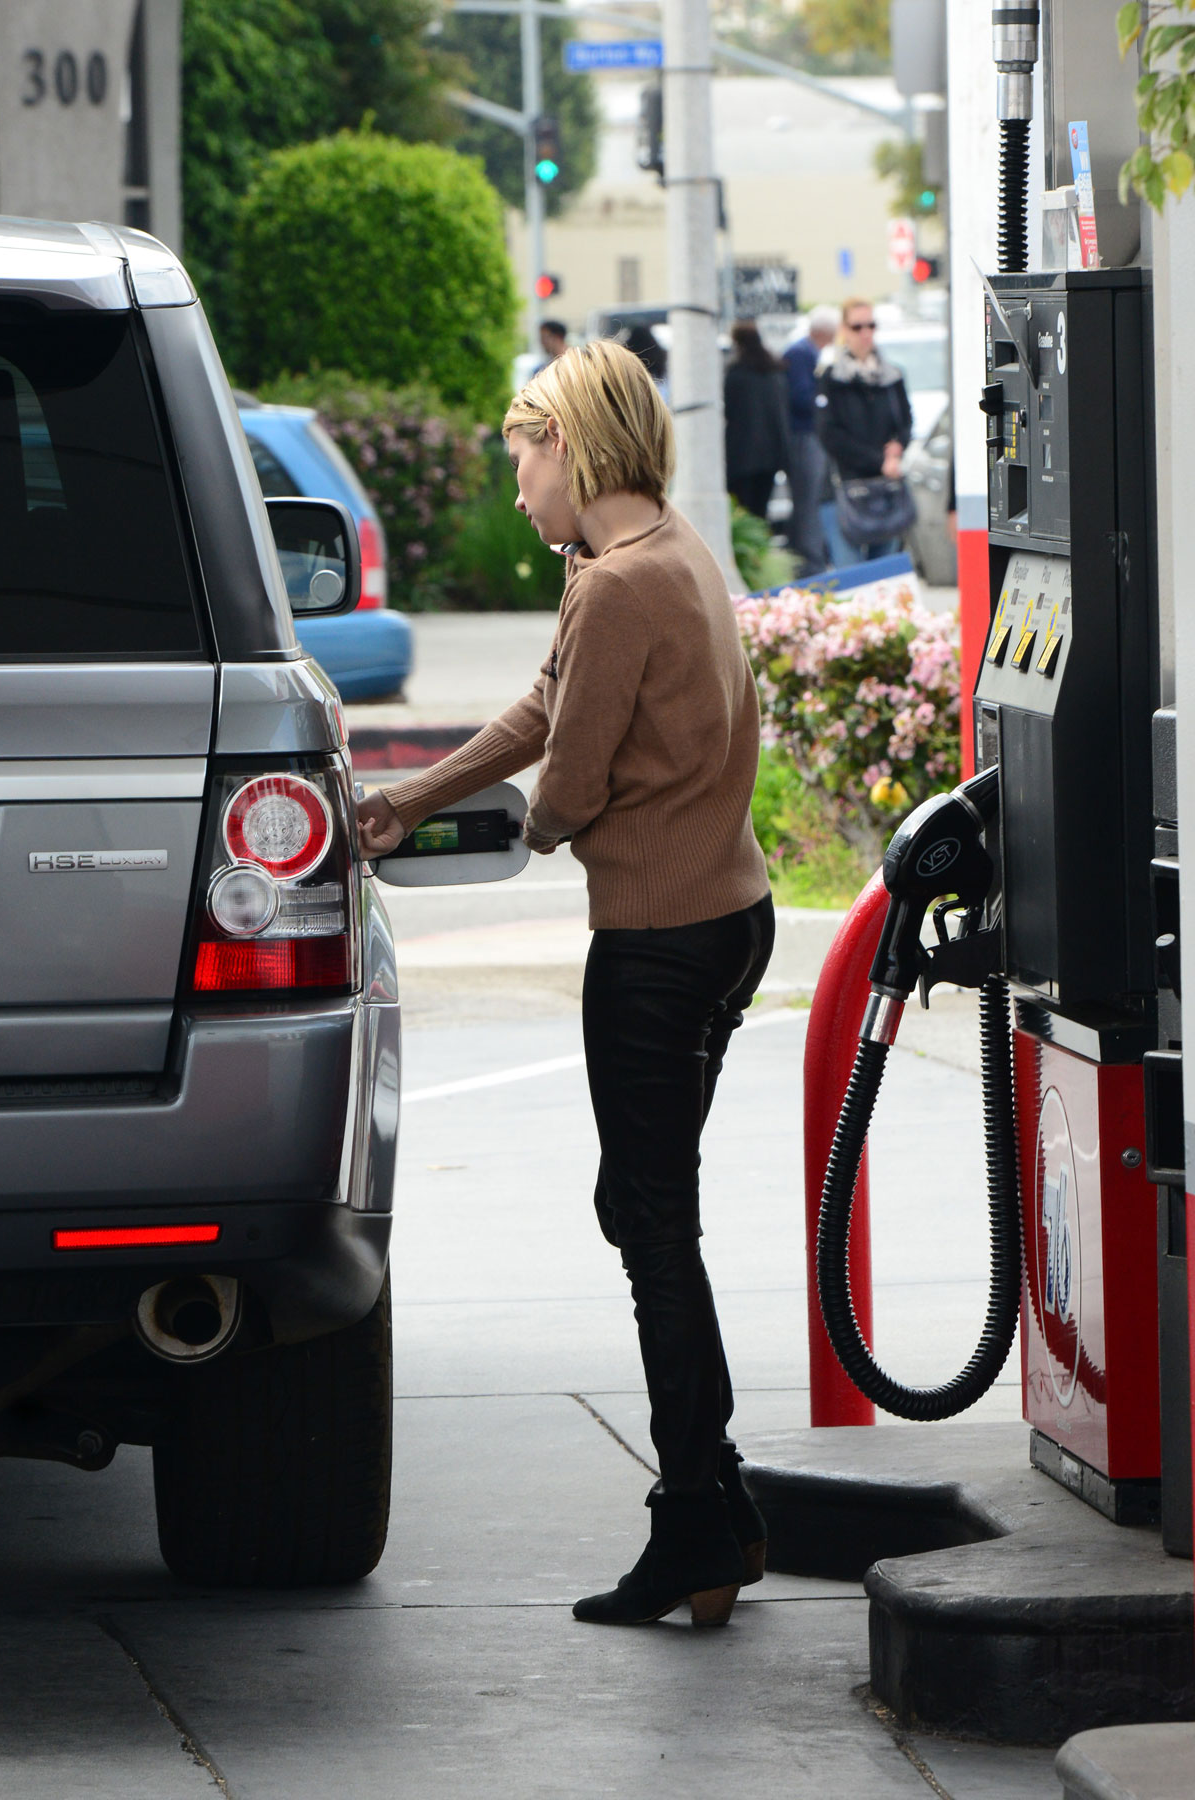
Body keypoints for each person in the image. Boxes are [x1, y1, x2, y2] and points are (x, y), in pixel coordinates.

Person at [357, 340, 774, 1629]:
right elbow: (546, 705)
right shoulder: (668, 553)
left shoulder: (611, 590)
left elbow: (570, 781)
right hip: (732, 913)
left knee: (654, 1236)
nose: (517, 488)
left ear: (570, 445)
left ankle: (694, 1523)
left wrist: (506, 830)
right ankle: (725, 1504)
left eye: (522, 457)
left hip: (655, 941)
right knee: (648, 1210)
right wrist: (408, 801)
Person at [817, 298, 913, 560]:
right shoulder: (832, 379)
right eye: (857, 326)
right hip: (845, 490)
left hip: (886, 492)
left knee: (885, 581)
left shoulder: (892, 376)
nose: (866, 333)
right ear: (844, 330)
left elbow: (905, 422)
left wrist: (897, 448)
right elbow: (829, 435)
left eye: (871, 325)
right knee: (852, 582)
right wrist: (879, 460)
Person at [781, 304, 838, 573]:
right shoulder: (801, 354)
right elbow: (801, 398)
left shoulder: (806, 353)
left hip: (811, 436)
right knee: (808, 500)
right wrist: (825, 402)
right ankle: (810, 561)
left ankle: (810, 556)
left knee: (812, 499)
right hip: (804, 436)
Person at [722, 320, 792, 522]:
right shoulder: (775, 371)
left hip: (740, 455)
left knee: (741, 515)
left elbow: (729, 410)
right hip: (770, 455)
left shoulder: (736, 374)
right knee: (761, 513)